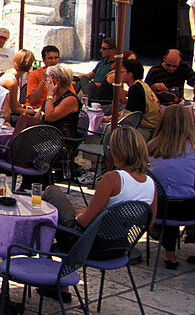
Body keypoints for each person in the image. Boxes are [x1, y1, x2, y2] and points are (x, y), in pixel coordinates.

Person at [42, 127, 156, 300]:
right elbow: (149, 223)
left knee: (53, 194)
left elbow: (85, 222)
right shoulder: (151, 184)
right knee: (67, 214)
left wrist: (81, 214)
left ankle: (55, 280)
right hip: (119, 247)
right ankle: (61, 283)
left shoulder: (113, 179)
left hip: (87, 246)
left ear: (118, 151)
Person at [147, 106, 195, 271]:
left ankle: (170, 255)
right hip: (188, 210)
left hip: (159, 209)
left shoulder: (152, 147)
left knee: (168, 198)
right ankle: (190, 228)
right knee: (183, 197)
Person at [38, 63, 82, 141]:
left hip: (61, 142)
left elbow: (49, 117)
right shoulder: (53, 96)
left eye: (49, 78)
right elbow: (38, 116)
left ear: (57, 81)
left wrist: (49, 94)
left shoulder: (70, 100)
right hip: (45, 137)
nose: (47, 81)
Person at [123, 58, 160, 131]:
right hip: (153, 126)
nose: (117, 74)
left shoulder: (135, 88)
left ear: (129, 75)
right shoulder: (143, 85)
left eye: (121, 72)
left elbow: (131, 117)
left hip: (145, 129)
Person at [0, 49, 34, 115]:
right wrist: (33, 111)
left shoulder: (17, 76)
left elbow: (16, 103)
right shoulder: (11, 81)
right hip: (3, 115)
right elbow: (14, 109)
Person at [85, 37, 119, 104]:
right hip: (92, 93)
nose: (100, 50)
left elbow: (111, 85)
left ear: (112, 50)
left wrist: (93, 85)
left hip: (103, 98)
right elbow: (90, 75)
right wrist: (74, 77)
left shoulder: (116, 65)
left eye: (104, 48)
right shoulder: (102, 62)